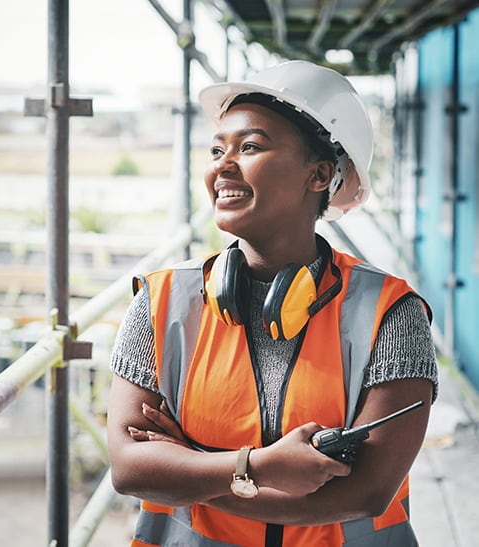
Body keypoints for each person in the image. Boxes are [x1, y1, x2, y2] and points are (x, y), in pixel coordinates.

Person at [106, 60, 438, 547]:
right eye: (218, 148)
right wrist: (259, 466)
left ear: (319, 174)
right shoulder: (162, 302)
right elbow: (130, 468)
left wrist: (191, 465)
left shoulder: (391, 314)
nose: (221, 164)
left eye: (251, 146)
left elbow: (366, 493)